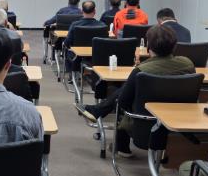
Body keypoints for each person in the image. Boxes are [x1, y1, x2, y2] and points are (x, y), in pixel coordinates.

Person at [78, 25, 194, 156]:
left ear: (149, 46)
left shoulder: (141, 70)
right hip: (179, 119)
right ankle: (97, 110)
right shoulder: (187, 64)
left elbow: (123, 102)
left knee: (122, 97)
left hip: (144, 122)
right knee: (124, 92)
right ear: (174, 46)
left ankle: (121, 147)